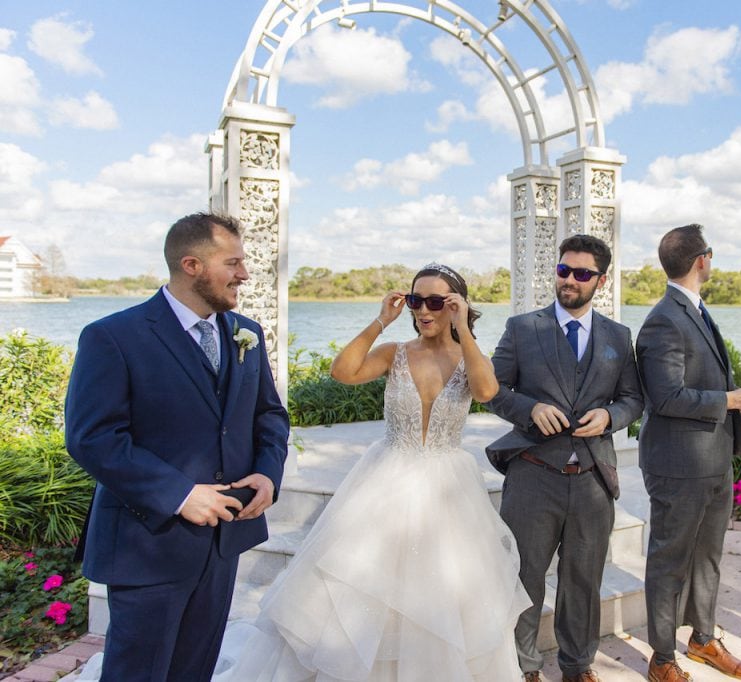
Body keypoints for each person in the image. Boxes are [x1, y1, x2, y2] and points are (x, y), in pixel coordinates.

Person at [210, 263, 530, 681]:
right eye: (417, 301)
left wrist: (463, 330)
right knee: (363, 589)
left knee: (443, 597)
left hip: (449, 490)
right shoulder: (395, 353)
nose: (424, 311)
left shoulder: (469, 357)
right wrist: (382, 320)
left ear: (456, 306)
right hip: (386, 480)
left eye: (436, 302)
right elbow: (342, 371)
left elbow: (487, 391)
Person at [65, 212, 290, 681]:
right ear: (192, 265)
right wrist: (181, 494)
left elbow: (268, 415)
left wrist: (268, 473)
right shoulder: (113, 337)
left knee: (195, 669)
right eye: (233, 262)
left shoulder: (243, 331)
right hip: (148, 543)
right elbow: (93, 438)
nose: (244, 274)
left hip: (224, 540)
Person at [485, 234, 644, 682]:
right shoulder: (522, 328)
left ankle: (578, 666)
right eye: (563, 270)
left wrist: (611, 416)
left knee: (584, 582)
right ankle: (524, 667)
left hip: (593, 478)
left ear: (601, 280)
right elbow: (492, 390)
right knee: (525, 579)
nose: (569, 280)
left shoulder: (618, 335)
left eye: (581, 273)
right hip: (534, 475)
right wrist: (529, 409)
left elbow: (634, 398)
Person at [636, 225, 741, 682]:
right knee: (669, 559)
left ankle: (702, 638)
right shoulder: (663, 319)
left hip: (715, 457)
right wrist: (734, 400)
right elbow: (666, 397)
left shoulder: (693, 310)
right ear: (702, 260)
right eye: (711, 254)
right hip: (677, 465)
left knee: (709, 555)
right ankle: (661, 658)